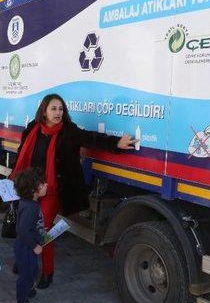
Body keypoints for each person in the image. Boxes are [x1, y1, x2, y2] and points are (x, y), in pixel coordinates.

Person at [11, 94, 135, 288]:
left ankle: (47, 271)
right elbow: (22, 154)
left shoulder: (69, 131)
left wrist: (116, 143)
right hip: (29, 188)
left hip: (51, 190)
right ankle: (23, 259)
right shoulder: (32, 130)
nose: (58, 112)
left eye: (61, 109)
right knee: (24, 225)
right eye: (53, 108)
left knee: (42, 229)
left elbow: (91, 138)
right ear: (44, 111)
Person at [13, 168, 47, 303]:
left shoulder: (28, 202)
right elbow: (22, 230)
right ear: (34, 189)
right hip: (27, 247)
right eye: (43, 183)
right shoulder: (31, 207)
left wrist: (39, 229)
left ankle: (27, 290)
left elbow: (28, 226)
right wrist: (35, 246)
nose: (46, 185)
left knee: (32, 271)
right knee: (27, 275)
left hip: (26, 246)